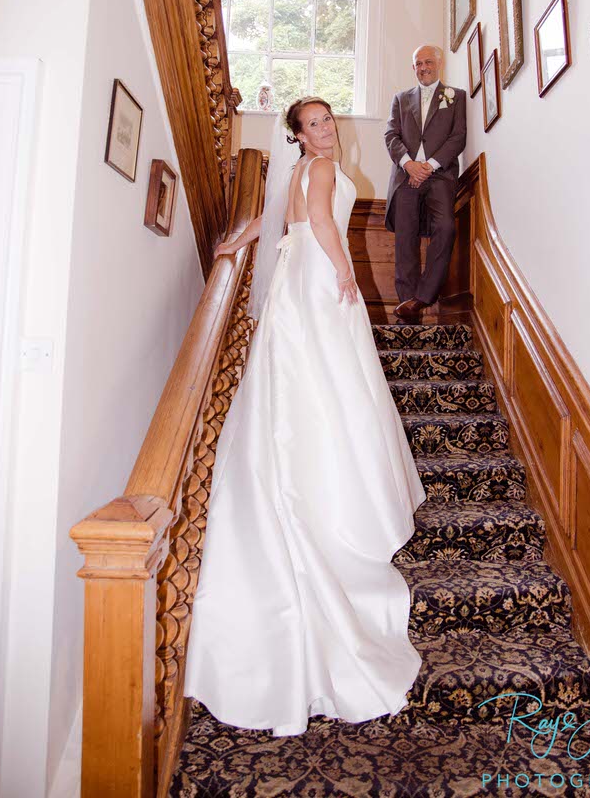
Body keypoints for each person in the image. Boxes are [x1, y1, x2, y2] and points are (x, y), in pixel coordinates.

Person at [184, 96, 426, 737]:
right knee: (329, 383)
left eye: (329, 121)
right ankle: (330, 494)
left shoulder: (293, 171)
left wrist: (236, 237)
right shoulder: (318, 170)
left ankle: (305, 481)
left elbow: (273, 223)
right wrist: (347, 270)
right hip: (316, 278)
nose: (326, 132)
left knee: (300, 385)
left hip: (295, 281)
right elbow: (320, 222)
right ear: (298, 135)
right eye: (314, 125)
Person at [384, 45, 467, 324]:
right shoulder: (400, 98)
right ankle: (407, 310)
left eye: (428, 62)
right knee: (405, 238)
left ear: (439, 63)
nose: (423, 67)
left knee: (446, 227)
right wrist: (408, 164)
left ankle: (422, 298)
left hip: (439, 175)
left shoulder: (456, 97)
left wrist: (429, 166)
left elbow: (457, 138)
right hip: (406, 176)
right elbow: (391, 135)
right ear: (414, 68)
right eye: (418, 63)